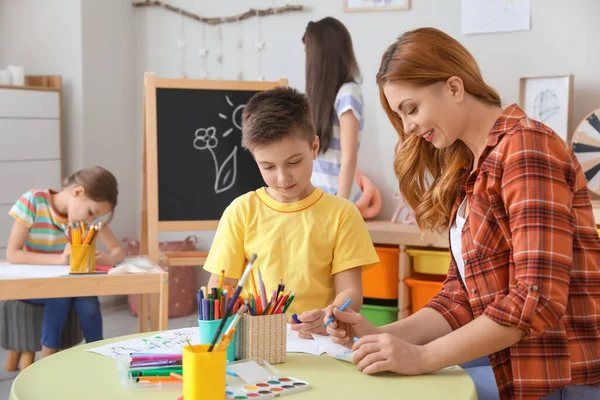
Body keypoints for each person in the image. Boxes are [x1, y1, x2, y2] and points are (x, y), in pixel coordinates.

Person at [325, 28, 600, 400]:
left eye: (411, 108)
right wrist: (379, 335)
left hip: (558, 378)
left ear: (454, 88)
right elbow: (460, 298)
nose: (406, 126)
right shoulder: (472, 168)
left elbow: (536, 298)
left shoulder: (527, 148)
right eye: (399, 114)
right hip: (513, 369)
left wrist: (421, 358)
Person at [203, 86, 378, 338]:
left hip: (319, 341)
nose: (283, 177)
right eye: (268, 166)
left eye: (294, 162)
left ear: (314, 146)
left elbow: (351, 292)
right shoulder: (241, 212)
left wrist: (332, 314)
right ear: (254, 158)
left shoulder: (343, 214)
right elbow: (220, 288)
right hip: (257, 340)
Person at [6, 166, 125, 358]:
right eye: (91, 212)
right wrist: (60, 260)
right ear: (78, 192)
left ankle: (99, 354)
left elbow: (119, 251)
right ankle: (47, 357)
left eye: (95, 216)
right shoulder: (33, 201)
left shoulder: (86, 220)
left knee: (88, 301)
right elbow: (13, 254)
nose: (91, 219)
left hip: (69, 285)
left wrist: (109, 258)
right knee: (61, 293)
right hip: (33, 286)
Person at [303, 17, 364, 202]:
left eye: (308, 53)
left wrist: (342, 205)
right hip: (318, 196)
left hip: (337, 198)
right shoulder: (320, 99)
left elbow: (349, 157)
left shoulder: (348, 94)